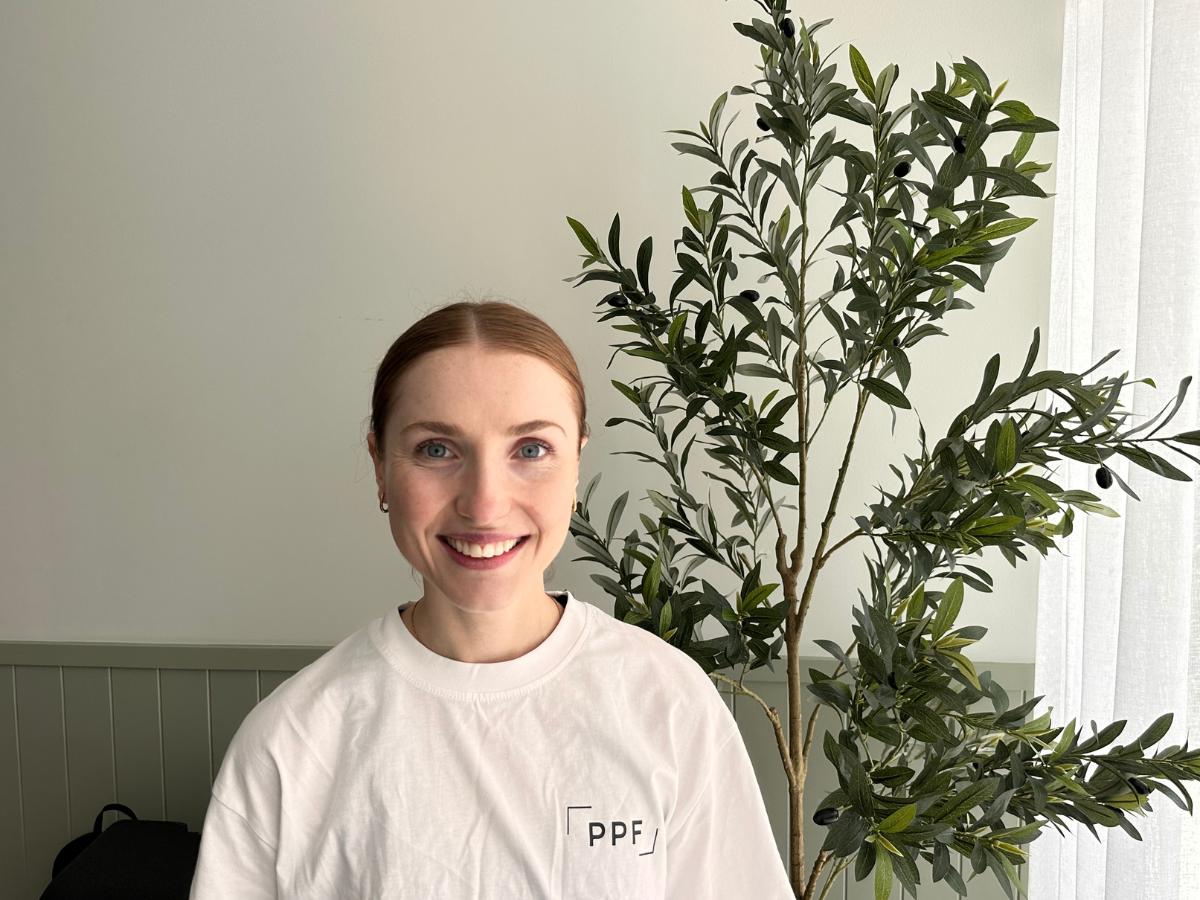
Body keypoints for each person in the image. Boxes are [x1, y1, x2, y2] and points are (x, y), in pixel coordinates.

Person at [188, 299, 794, 899]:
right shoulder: (291, 743)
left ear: (575, 466)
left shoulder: (668, 704)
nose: (484, 504)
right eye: (436, 449)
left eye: (531, 449)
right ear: (380, 466)